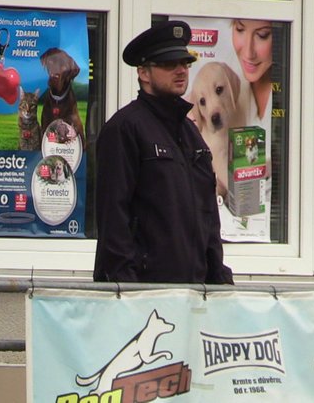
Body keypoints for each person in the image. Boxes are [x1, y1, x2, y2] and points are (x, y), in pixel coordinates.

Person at [92, 20, 233, 284]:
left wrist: (219, 281)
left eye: (185, 63)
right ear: (144, 73)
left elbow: (208, 216)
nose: (181, 71)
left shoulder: (190, 132)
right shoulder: (124, 129)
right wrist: (126, 290)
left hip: (193, 294)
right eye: (169, 65)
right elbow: (114, 219)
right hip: (145, 292)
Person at [231, 18, 274, 126]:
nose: (248, 53)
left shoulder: (296, 89)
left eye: (261, 35)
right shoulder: (229, 80)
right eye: (240, 29)